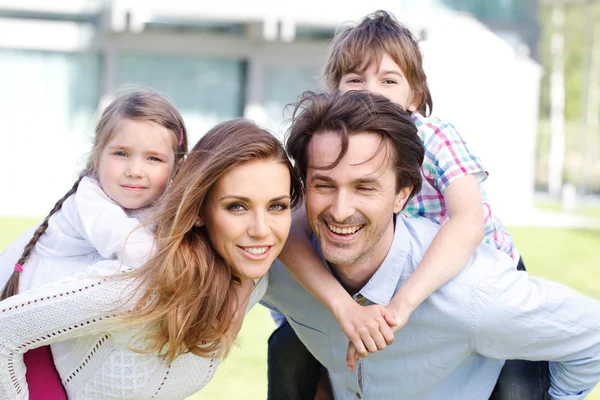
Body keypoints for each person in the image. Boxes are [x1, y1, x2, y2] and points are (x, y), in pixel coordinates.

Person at [269, 10, 540, 399]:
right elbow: (293, 231)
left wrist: (401, 306)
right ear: (334, 92)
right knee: (287, 346)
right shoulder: (328, 146)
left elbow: (468, 222)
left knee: (516, 377)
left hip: (471, 276)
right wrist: (342, 306)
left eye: (388, 80)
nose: (370, 92)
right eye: (355, 80)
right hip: (378, 283)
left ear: (414, 95)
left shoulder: (434, 136)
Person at [261, 90, 600, 399]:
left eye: (365, 188)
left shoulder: (472, 295)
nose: (340, 210)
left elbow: (593, 337)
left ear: (402, 196)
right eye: (324, 185)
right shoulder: (278, 268)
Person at [0, 118, 302, 399]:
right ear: (198, 211)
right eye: (237, 207)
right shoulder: (140, 287)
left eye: (276, 207)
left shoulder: (253, 276)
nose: (261, 231)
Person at [0, 88, 189, 400]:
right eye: (121, 153)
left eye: (154, 158)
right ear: (97, 155)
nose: (135, 170)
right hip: (28, 324)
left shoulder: (155, 204)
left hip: (59, 329)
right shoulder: (90, 199)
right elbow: (138, 253)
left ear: (177, 168)